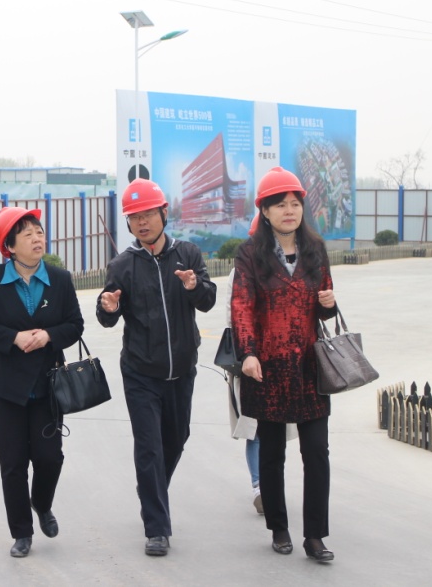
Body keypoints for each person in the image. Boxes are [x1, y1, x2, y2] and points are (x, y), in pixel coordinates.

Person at [97, 178, 217, 557]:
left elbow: (208, 301)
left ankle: (151, 486)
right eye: (135, 217)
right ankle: (157, 528)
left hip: (181, 369)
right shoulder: (122, 265)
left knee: (175, 440)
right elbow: (107, 315)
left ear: (164, 213)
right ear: (128, 223)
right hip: (140, 373)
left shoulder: (188, 254)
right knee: (148, 447)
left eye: (148, 214)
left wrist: (195, 286)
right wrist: (107, 307)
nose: (142, 222)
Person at [230, 167, 337, 562]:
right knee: (272, 452)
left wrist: (330, 305)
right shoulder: (249, 254)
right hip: (267, 367)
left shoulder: (316, 250)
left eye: (294, 204)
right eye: (280, 205)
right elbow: (242, 306)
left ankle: (315, 536)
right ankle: (279, 527)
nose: (289, 211)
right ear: (265, 210)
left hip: (309, 367)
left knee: (317, 452)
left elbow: (325, 306)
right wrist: (248, 353)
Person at [0, 207, 84, 558]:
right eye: (28, 233)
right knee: (13, 463)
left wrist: (49, 335)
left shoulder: (60, 279)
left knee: (50, 457)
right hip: (5, 387)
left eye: (39, 231)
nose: (37, 238)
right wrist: (13, 338)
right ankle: (22, 533)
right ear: (10, 245)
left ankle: (42, 503)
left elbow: (75, 325)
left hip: (49, 385)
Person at [226, 214, 263, 515]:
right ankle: (260, 486)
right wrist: (245, 352)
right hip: (249, 361)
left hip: (280, 361)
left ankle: (268, 483)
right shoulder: (239, 271)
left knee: (271, 429)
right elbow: (233, 318)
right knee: (255, 427)